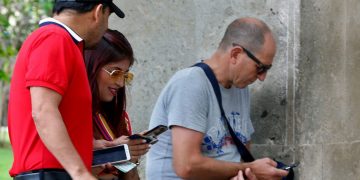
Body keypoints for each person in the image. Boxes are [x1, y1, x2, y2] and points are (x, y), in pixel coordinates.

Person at [146, 17, 289, 180]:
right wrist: (249, 168)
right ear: (236, 54)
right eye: (260, 68)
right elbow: (186, 166)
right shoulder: (190, 83)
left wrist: (248, 174)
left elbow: (242, 152)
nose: (262, 77)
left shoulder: (240, 88)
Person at [7, 1, 124, 179]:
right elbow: (43, 111)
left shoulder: (61, 40)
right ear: (98, 12)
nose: (106, 27)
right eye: (108, 18)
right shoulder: (54, 38)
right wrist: (80, 173)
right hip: (49, 174)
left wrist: (87, 145)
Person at [84, 29, 150, 180]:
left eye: (125, 75)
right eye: (115, 73)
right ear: (92, 66)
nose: (121, 83)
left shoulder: (118, 116)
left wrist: (130, 158)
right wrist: (113, 151)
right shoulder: (70, 114)